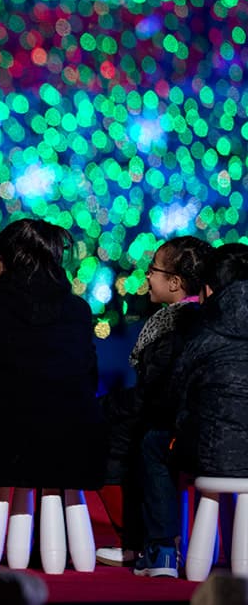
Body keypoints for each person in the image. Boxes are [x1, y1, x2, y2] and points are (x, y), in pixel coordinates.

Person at [0, 218, 108, 565]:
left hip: (3, 442)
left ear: (1, 262)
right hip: (76, 439)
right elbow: (89, 377)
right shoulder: (78, 311)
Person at [98, 236, 212, 574]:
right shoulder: (198, 317)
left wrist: (105, 408)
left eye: (153, 271)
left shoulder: (173, 326)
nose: (146, 277)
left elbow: (154, 393)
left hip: (178, 426)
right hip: (195, 423)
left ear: (175, 283)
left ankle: (146, 544)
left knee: (120, 441)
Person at [173, 243, 248, 572]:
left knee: (156, 445)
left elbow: (178, 390)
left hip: (209, 451)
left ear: (208, 289)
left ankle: (160, 549)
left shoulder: (202, 328)